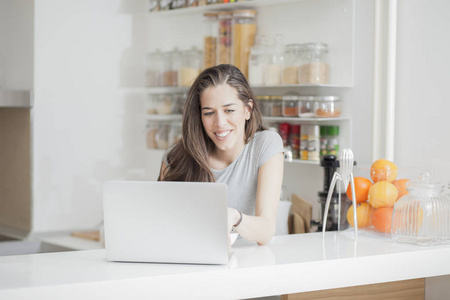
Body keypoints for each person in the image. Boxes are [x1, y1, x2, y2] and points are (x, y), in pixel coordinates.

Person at [158, 64, 284, 245]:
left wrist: (234, 217)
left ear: (247, 109)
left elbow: (265, 231)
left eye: (229, 110)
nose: (220, 123)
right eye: (209, 113)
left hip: (247, 263)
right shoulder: (175, 158)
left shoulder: (266, 145)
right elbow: (162, 226)